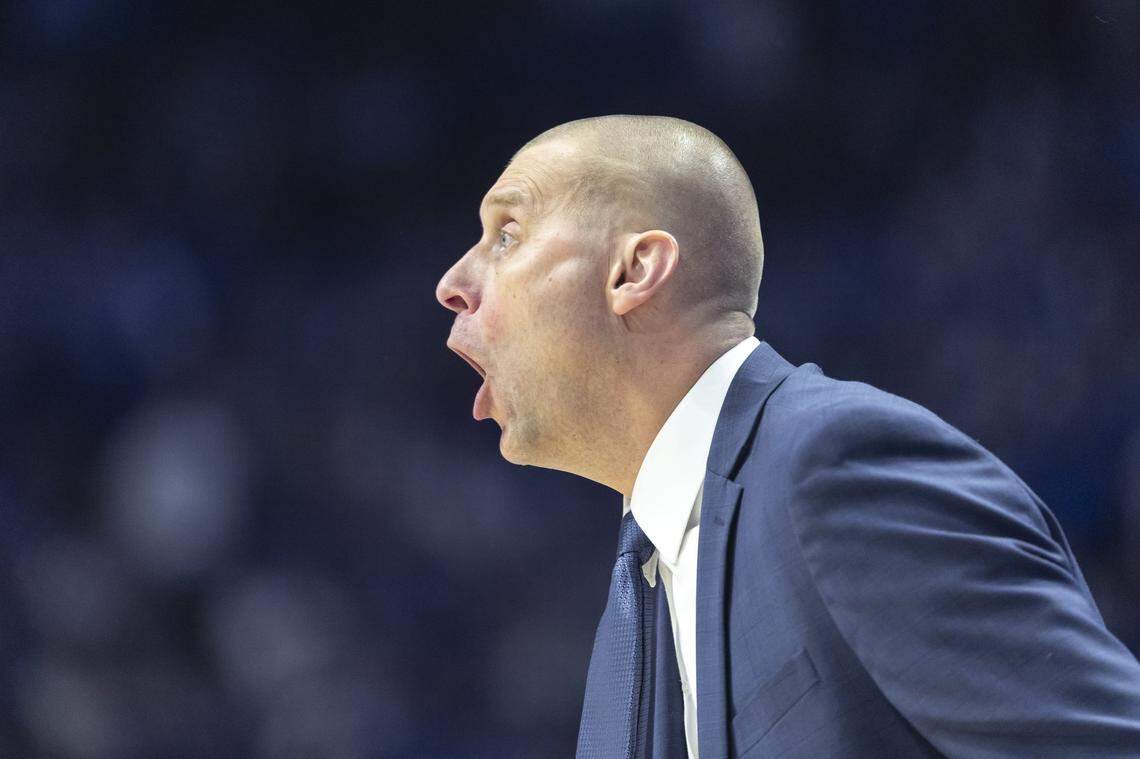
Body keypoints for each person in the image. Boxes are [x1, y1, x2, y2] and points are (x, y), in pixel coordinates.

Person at [433, 115, 1140, 758]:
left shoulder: (832, 462)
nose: (452, 283)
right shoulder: (636, 598)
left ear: (634, 270)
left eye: (507, 234)